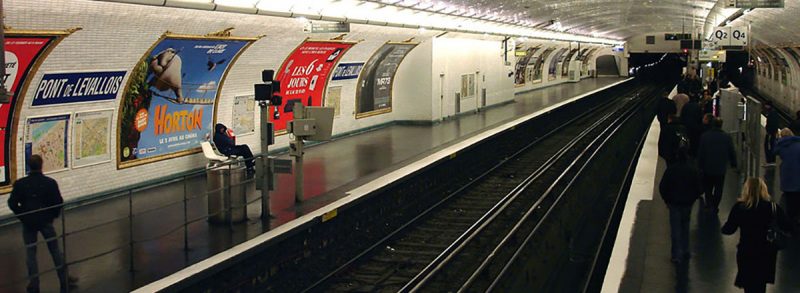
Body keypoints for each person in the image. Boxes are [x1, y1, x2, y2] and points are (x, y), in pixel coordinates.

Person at [8, 155, 77, 293]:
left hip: (28, 222)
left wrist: (23, 216)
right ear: (41, 165)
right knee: (55, 251)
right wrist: (51, 216)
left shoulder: (21, 184)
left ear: (29, 165)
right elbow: (58, 202)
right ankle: (64, 279)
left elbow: (12, 203)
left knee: (31, 253)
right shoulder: (49, 183)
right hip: (45, 221)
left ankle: (34, 284)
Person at [722, 178, 793, 293]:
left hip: (746, 251)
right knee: (761, 285)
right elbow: (788, 226)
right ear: (763, 190)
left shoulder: (740, 208)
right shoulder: (772, 208)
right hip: (766, 252)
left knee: (749, 285)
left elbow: (728, 229)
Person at [659, 147, 702, 263]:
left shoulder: (671, 171)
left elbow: (662, 187)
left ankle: (676, 255)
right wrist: (693, 199)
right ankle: (686, 250)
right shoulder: (692, 171)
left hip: (674, 204)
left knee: (675, 230)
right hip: (687, 204)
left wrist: (667, 200)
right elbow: (699, 188)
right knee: (685, 227)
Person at [697, 118, 737, 213]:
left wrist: (699, 165)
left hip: (707, 167)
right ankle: (715, 206)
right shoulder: (726, 137)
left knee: (708, 187)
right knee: (719, 188)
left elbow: (701, 152)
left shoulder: (705, 136)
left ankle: (709, 204)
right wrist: (733, 163)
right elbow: (732, 151)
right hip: (720, 167)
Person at [774, 128, 800, 226]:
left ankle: (790, 220)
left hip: (787, 175)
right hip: (798, 175)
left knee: (789, 199)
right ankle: (796, 217)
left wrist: (777, 140)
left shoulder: (781, 146)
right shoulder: (798, 143)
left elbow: (774, 151)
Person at [762, 102, 779, 167]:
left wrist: (769, 131)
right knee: (770, 145)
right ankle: (770, 160)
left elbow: (772, 124)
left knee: (769, 146)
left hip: (770, 133)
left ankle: (770, 161)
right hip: (772, 133)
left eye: (766, 105)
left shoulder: (772, 113)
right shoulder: (773, 112)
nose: (765, 107)